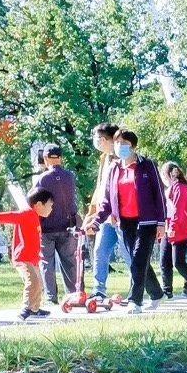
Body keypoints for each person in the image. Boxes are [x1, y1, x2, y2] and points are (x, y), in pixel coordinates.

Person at [102, 128, 166, 315]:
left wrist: (161, 222)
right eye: (117, 143)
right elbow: (107, 198)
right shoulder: (114, 168)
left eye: (125, 143)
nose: (120, 147)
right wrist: (98, 220)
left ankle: (134, 301)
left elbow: (159, 195)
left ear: (134, 146)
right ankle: (156, 293)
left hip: (147, 221)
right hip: (125, 222)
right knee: (138, 261)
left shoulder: (147, 165)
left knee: (138, 260)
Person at [0, 189, 54, 321]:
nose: (52, 208)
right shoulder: (27, 213)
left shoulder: (35, 216)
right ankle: (26, 308)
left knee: (38, 282)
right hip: (23, 258)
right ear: (39, 204)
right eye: (50, 205)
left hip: (32, 258)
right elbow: (11, 217)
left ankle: (35, 308)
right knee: (32, 281)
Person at [84, 123, 130, 303]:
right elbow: (100, 188)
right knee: (100, 251)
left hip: (123, 217)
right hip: (105, 217)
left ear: (108, 139)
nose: (97, 142)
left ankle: (136, 289)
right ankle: (99, 290)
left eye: (99, 139)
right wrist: (92, 213)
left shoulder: (124, 159)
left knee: (128, 254)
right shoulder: (104, 159)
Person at [33, 144, 80, 304]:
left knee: (47, 264)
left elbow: (34, 202)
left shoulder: (41, 179)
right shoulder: (70, 176)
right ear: (61, 158)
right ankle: (75, 295)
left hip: (46, 227)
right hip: (68, 226)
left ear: (46, 159)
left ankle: (51, 298)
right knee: (70, 263)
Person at [160, 163, 187, 297]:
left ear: (171, 174)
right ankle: (167, 290)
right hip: (169, 229)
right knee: (164, 261)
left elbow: (178, 210)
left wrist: (172, 227)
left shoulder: (180, 188)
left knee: (178, 262)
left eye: (164, 174)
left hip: (180, 230)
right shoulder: (171, 189)